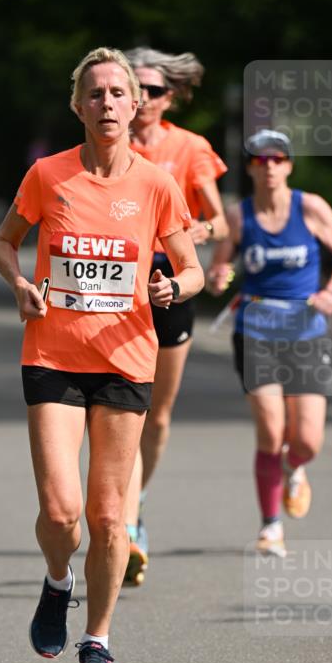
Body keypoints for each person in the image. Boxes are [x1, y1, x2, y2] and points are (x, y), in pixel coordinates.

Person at [0, 47, 203, 663]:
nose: (108, 102)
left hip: (125, 359)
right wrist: (19, 283)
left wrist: (176, 289)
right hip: (53, 353)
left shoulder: (156, 184)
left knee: (110, 516)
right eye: (96, 93)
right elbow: (4, 242)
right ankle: (59, 582)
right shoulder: (47, 175)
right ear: (78, 106)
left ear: (134, 106)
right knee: (63, 514)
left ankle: (98, 640)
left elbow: (191, 268)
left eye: (119, 93)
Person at [207, 129, 332, 557]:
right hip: (255, 331)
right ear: (252, 167)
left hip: (306, 332)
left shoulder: (309, 208)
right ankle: (271, 526)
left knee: (307, 440)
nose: (269, 166)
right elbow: (219, 271)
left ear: (289, 165)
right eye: (260, 160)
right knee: (272, 431)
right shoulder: (240, 217)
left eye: (277, 159)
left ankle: (295, 469)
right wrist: (221, 277)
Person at [122, 47, 228, 584]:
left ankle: (134, 505)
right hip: (117, 288)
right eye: (135, 88)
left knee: (156, 416)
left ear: (172, 96)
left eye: (155, 91)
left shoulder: (189, 148)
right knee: (123, 410)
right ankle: (123, 518)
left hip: (170, 286)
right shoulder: (109, 143)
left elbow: (219, 222)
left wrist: (188, 238)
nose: (144, 100)